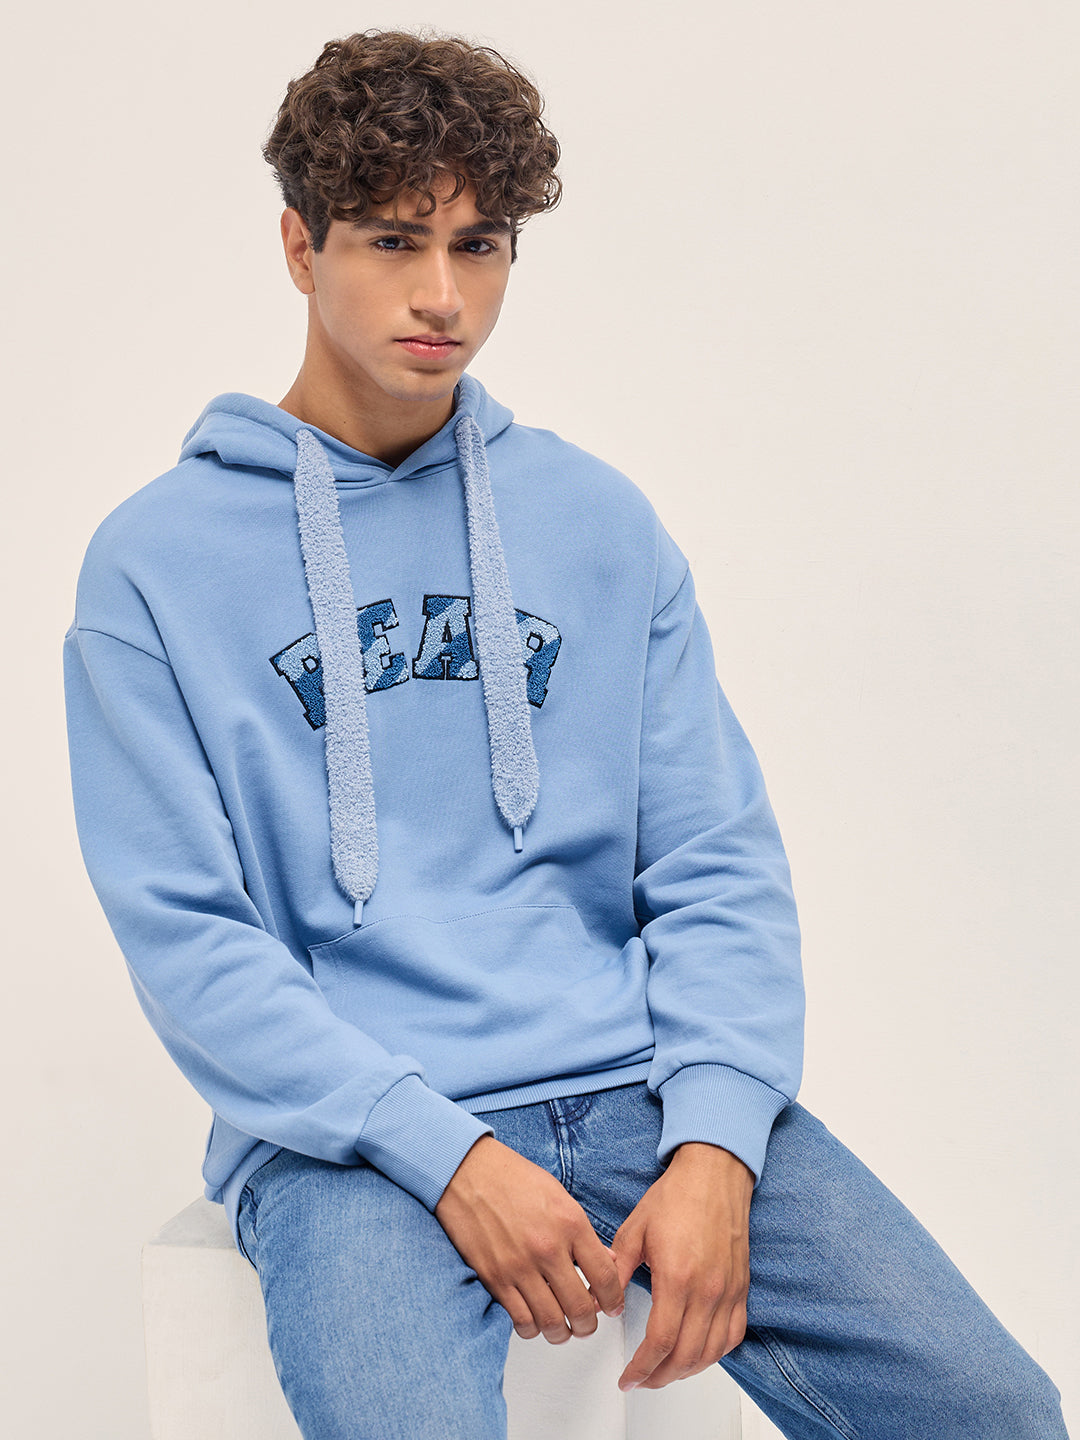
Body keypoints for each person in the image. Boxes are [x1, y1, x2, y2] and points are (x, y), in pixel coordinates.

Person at [62, 27, 1068, 1440]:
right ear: (298, 246)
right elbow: (188, 939)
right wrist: (447, 1153)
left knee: (995, 1410)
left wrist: (716, 1137)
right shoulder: (155, 569)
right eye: (393, 240)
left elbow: (715, 860)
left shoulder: (596, 523)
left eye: (478, 246)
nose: (441, 294)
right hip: (350, 1141)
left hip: (636, 1086)